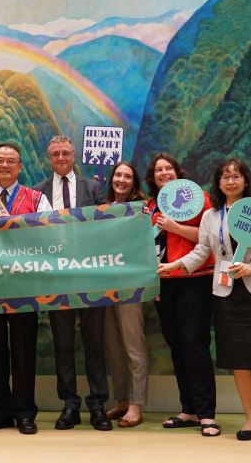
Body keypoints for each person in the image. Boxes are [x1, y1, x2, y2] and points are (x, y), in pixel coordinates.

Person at [158, 158, 251, 443]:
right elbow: (202, 251)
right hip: (225, 294)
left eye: (236, 176)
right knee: (238, 359)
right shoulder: (211, 216)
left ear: (245, 181)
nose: (230, 181)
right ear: (218, 182)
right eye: (225, 177)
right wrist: (175, 265)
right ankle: (249, 417)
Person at [0, 142, 51, 435]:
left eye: (10, 161)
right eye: (0, 161)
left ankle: (25, 413)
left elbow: (50, 234)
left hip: (24, 283)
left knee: (23, 349)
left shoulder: (37, 198)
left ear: (20, 167)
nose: (5, 166)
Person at [33, 136, 111, 431]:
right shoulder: (38, 192)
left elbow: (108, 226)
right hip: (56, 277)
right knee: (63, 344)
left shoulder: (92, 188)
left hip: (90, 275)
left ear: (74, 155)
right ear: (48, 157)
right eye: (56, 154)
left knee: (94, 344)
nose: (61, 158)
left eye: (66, 153)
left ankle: (98, 405)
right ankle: (70, 405)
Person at [145, 152, 219, 437]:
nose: (164, 173)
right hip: (163, 282)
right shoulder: (150, 206)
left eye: (169, 168)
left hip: (194, 279)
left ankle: (206, 414)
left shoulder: (197, 197)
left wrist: (175, 228)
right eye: (159, 170)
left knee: (194, 343)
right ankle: (188, 409)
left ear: (177, 172)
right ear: (153, 177)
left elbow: (210, 238)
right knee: (175, 344)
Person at [103, 161, 150, 428]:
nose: (121, 180)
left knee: (133, 345)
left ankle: (136, 404)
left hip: (131, 284)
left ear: (134, 182)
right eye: (118, 175)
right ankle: (121, 400)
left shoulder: (140, 209)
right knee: (113, 344)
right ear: (112, 179)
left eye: (128, 176)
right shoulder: (102, 209)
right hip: (104, 285)